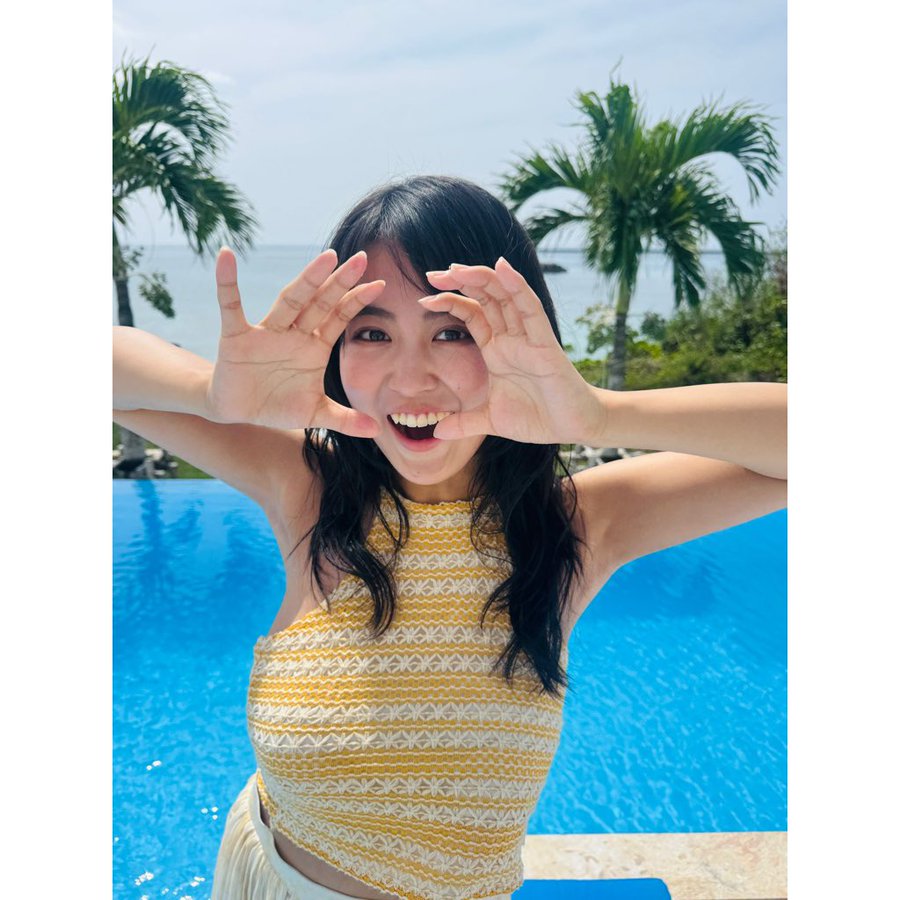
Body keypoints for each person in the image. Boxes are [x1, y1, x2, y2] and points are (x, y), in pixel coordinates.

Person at [112, 175, 787, 900]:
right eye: (372, 333)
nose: (411, 379)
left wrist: (597, 414)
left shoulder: (574, 526)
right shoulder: (309, 491)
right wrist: (211, 393)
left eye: (453, 331)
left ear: (517, 338)